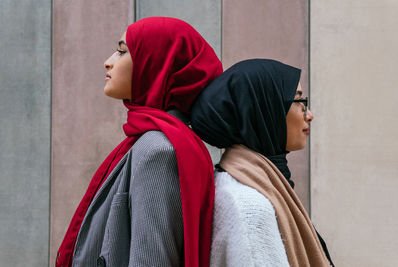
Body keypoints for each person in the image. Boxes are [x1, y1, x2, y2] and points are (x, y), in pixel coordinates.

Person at [56, 17, 222, 267]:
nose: (108, 61)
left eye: (122, 51)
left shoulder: (158, 150)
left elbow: (151, 260)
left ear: (156, 64)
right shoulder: (155, 140)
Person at [190, 59, 334, 267]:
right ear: (265, 110)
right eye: (298, 102)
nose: (309, 115)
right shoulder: (248, 206)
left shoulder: (257, 184)